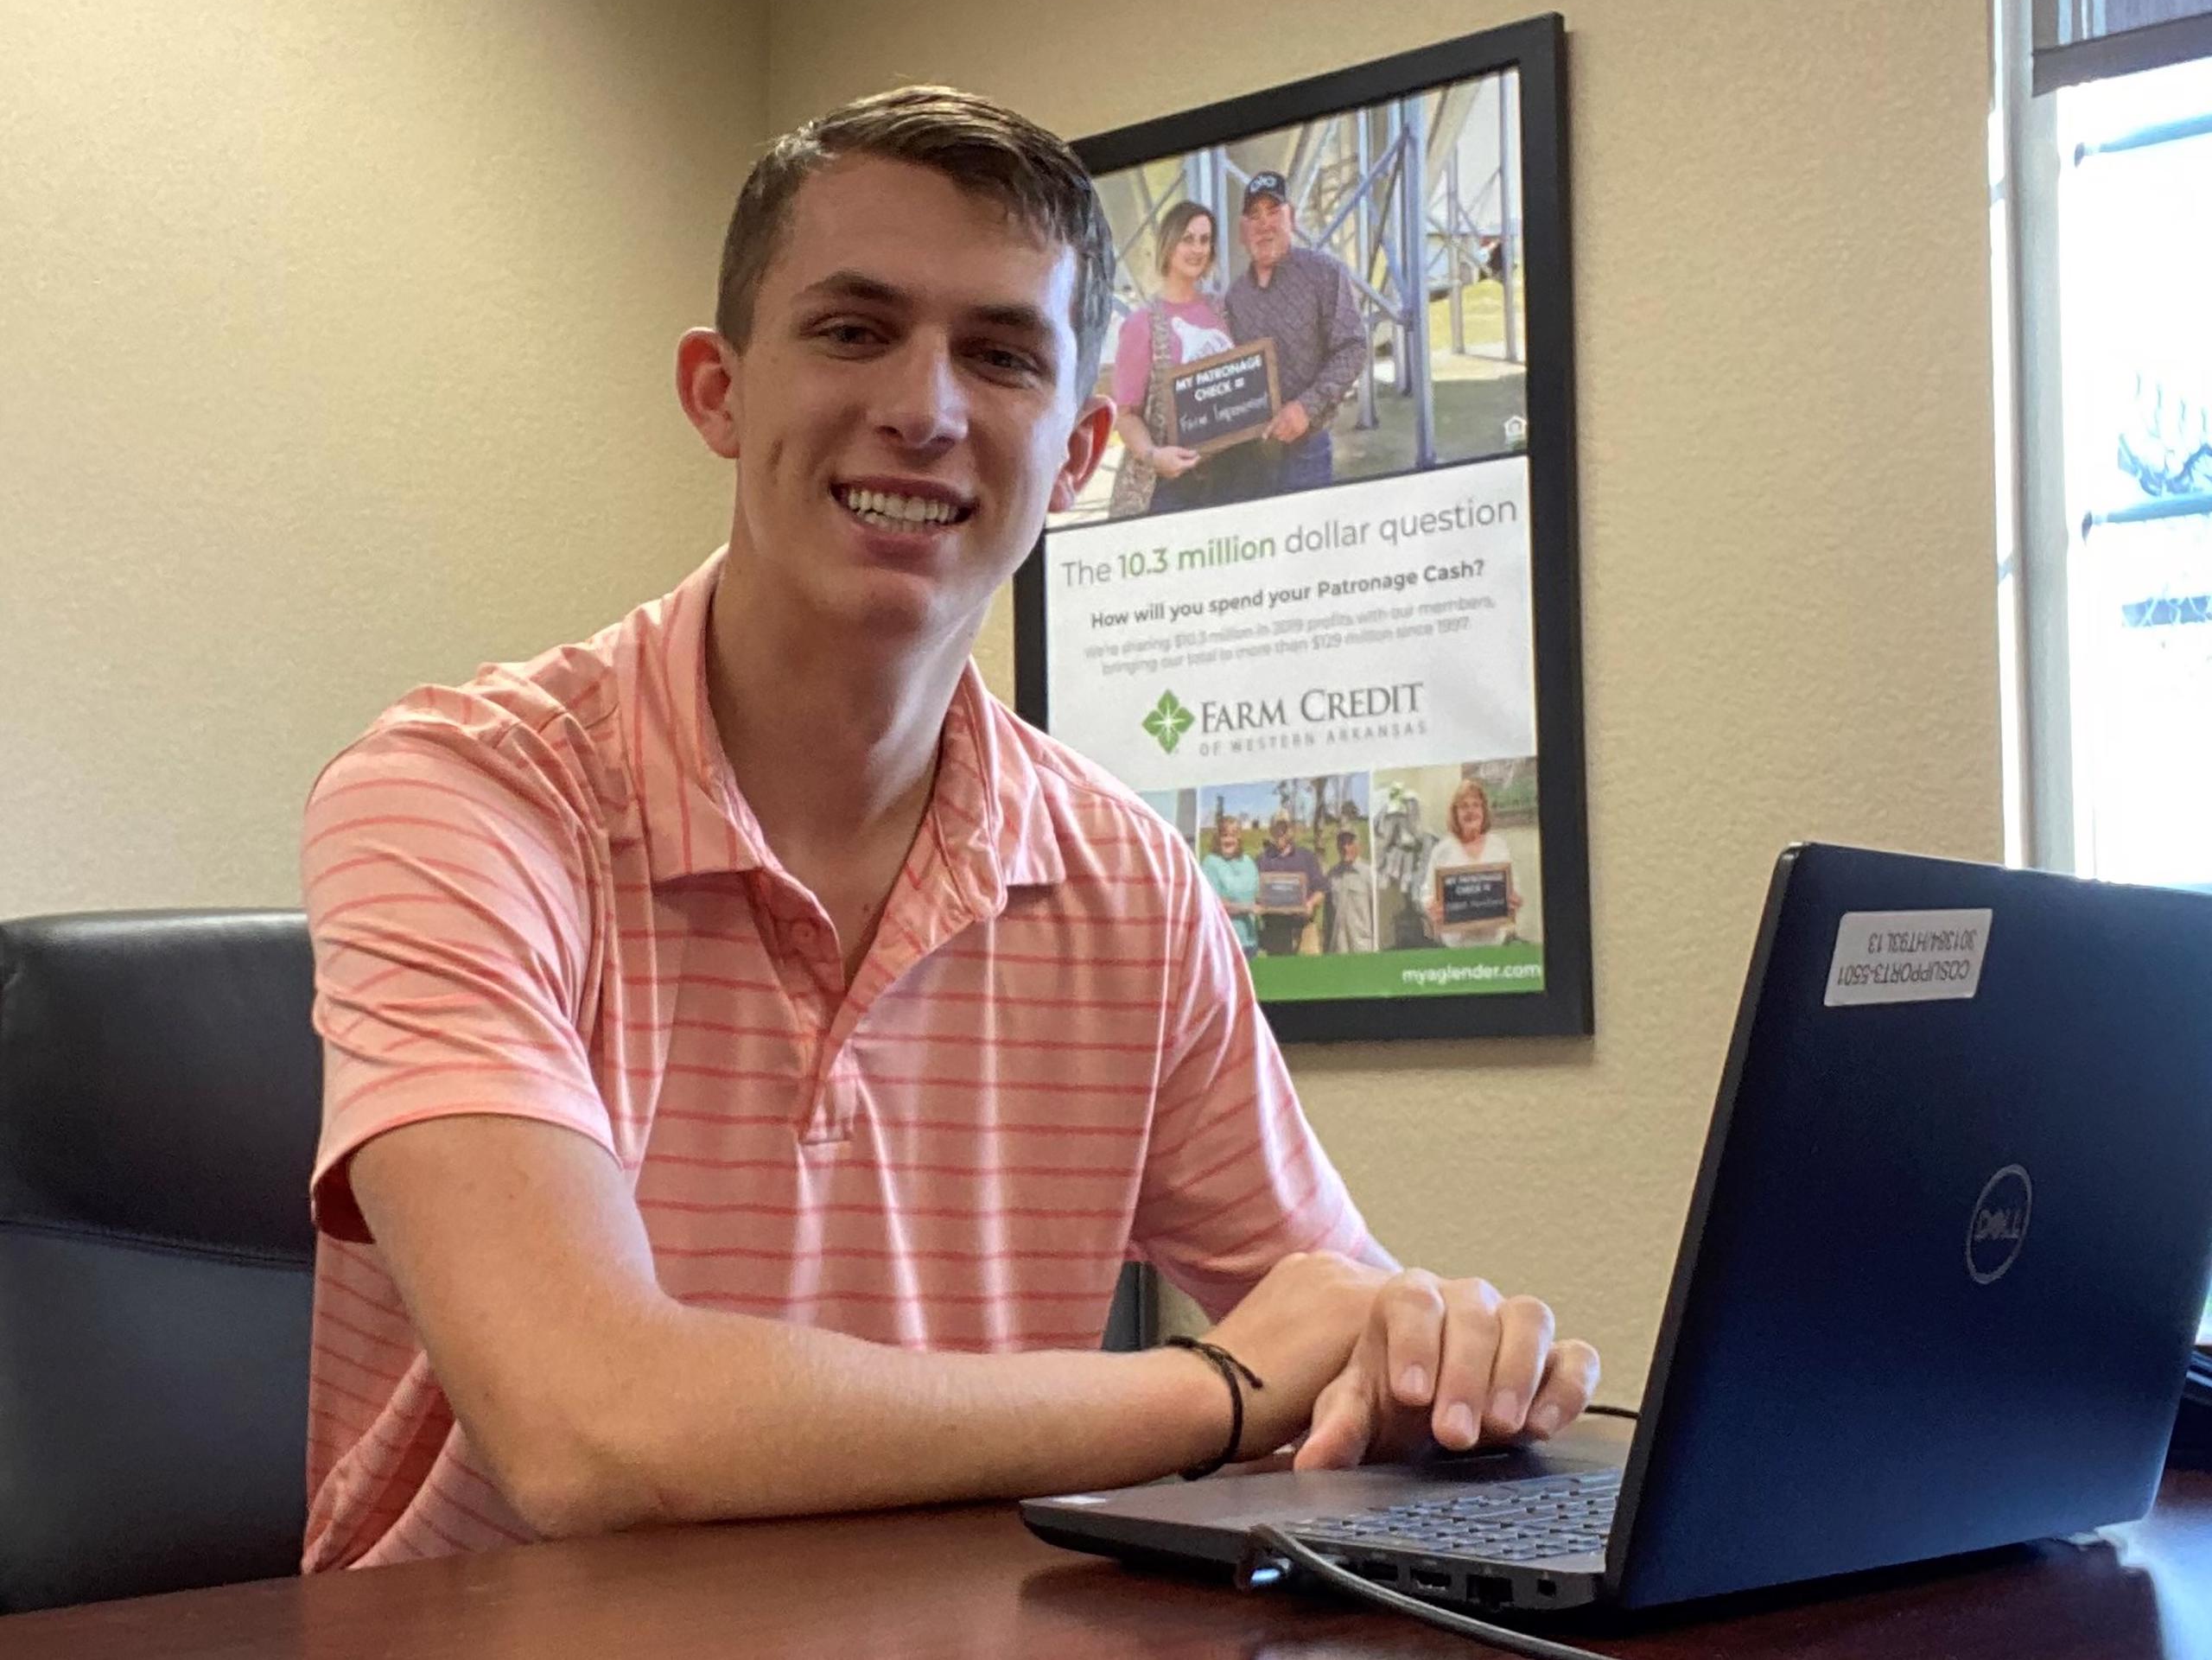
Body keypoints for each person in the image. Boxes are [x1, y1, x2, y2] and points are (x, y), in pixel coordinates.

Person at [297, 86, 1598, 1571]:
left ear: (1078, 447)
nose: (924, 407)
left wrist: (1440, 1359)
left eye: (999, 354)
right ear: (718, 393)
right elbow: (592, 1424)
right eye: (853, 330)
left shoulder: (1128, 881)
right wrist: (1212, 1388)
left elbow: (1332, 1328)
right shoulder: (463, 796)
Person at [1223, 170, 1369, 496]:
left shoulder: (1325, 274)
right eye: (1254, 215)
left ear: (1292, 218)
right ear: (1242, 231)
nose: (1264, 224)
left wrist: (1306, 407)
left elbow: (1353, 348)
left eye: (1273, 212)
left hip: (1308, 451)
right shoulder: (1234, 298)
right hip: (1249, 457)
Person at [1106, 200, 1235, 518]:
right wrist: (1153, 455)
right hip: (1168, 488)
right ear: (1169, 243)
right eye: (1187, 238)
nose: (1197, 249)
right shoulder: (1142, 324)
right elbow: (1126, 414)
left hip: (1227, 478)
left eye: (1205, 240)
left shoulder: (1223, 310)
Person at [1419, 776, 1524, 948]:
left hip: (1495, 943)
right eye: (1464, 806)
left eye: (1476, 805)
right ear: (1455, 813)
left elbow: (1515, 888)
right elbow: (1427, 893)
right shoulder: (1442, 849)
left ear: (1484, 811)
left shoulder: (1499, 846)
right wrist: (1431, 907)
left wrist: (1516, 900)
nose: (1471, 811)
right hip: (1457, 947)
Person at [1254, 812, 1327, 957]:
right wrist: (1258, 904)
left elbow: (1321, 889)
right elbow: (1253, 892)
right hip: (1275, 930)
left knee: (1309, 974)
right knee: (1280, 975)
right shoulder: (1262, 860)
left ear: (1291, 830)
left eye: (1284, 828)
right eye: (1277, 828)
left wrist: (1311, 903)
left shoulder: (1307, 857)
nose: (1281, 832)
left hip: (1305, 929)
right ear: (1271, 831)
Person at [1197, 814, 1260, 958]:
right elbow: (1214, 904)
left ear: (1239, 838)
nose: (1229, 839)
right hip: (1222, 942)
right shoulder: (1210, 863)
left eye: (1234, 835)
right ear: (1218, 838)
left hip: (1249, 941)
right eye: (1225, 835)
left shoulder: (1248, 861)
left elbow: (1257, 894)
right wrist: (1247, 908)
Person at [1323, 828, 1377, 954]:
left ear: (1358, 845)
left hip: (1363, 948)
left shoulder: (1369, 874)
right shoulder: (1332, 875)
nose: (1345, 848)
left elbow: (1377, 915)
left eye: (1350, 843)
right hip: (1338, 949)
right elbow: (1327, 917)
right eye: (1342, 843)